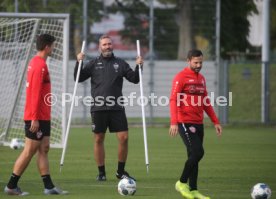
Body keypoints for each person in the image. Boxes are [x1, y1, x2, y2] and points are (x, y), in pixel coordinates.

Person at [4, 34, 67, 196]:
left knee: (44, 149)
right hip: (36, 117)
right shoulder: (39, 65)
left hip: (43, 116)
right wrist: (34, 118)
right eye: (53, 46)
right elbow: (34, 92)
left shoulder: (39, 63)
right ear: (47, 47)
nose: (54, 48)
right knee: (28, 151)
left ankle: (49, 186)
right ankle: (11, 186)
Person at [75, 35, 143, 181]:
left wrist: (139, 66)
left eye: (109, 44)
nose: (107, 46)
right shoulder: (93, 63)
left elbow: (135, 79)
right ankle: (101, 172)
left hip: (116, 107)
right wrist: (78, 62)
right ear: (100, 47)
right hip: (98, 107)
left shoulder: (121, 63)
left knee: (124, 138)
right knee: (99, 138)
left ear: (112, 46)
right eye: (104, 44)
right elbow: (78, 78)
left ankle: (120, 171)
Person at [169, 49, 222, 199]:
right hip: (184, 121)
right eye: (195, 62)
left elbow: (206, 102)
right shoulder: (181, 77)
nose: (198, 65)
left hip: (199, 123)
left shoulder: (202, 79)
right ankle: (181, 182)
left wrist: (215, 121)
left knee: (193, 156)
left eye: (201, 62)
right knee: (198, 152)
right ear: (188, 61)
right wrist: (174, 122)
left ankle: (193, 190)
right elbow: (173, 100)